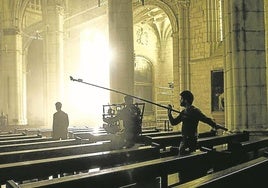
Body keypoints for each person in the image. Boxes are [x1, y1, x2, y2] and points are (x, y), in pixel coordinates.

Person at [167, 90, 223, 156]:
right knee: (182, 157)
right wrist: (169, 113)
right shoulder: (183, 112)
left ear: (186, 100)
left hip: (192, 140)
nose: (180, 100)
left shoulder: (195, 111)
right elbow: (174, 122)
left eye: (181, 98)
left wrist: (214, 125)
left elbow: (205, 119)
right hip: (184, 139)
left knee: (187, 159)